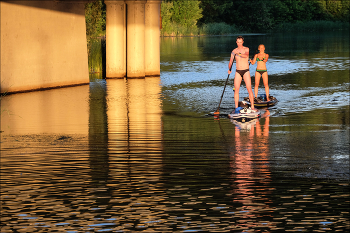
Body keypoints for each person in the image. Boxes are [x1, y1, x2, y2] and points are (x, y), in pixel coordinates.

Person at [228, 36, 256, 111]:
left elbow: (246, 55)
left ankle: (252, 107)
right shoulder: (234, 51)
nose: (239, 44)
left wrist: (239, 54)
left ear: (242, 42)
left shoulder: (246, 49)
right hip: (238, 71)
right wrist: (229, 68)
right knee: (236, 89)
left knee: (249, 88)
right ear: (236, 42)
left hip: (246, 71)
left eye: (240, 42)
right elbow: (231, 61)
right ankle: (236, 107)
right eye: (238, 42)